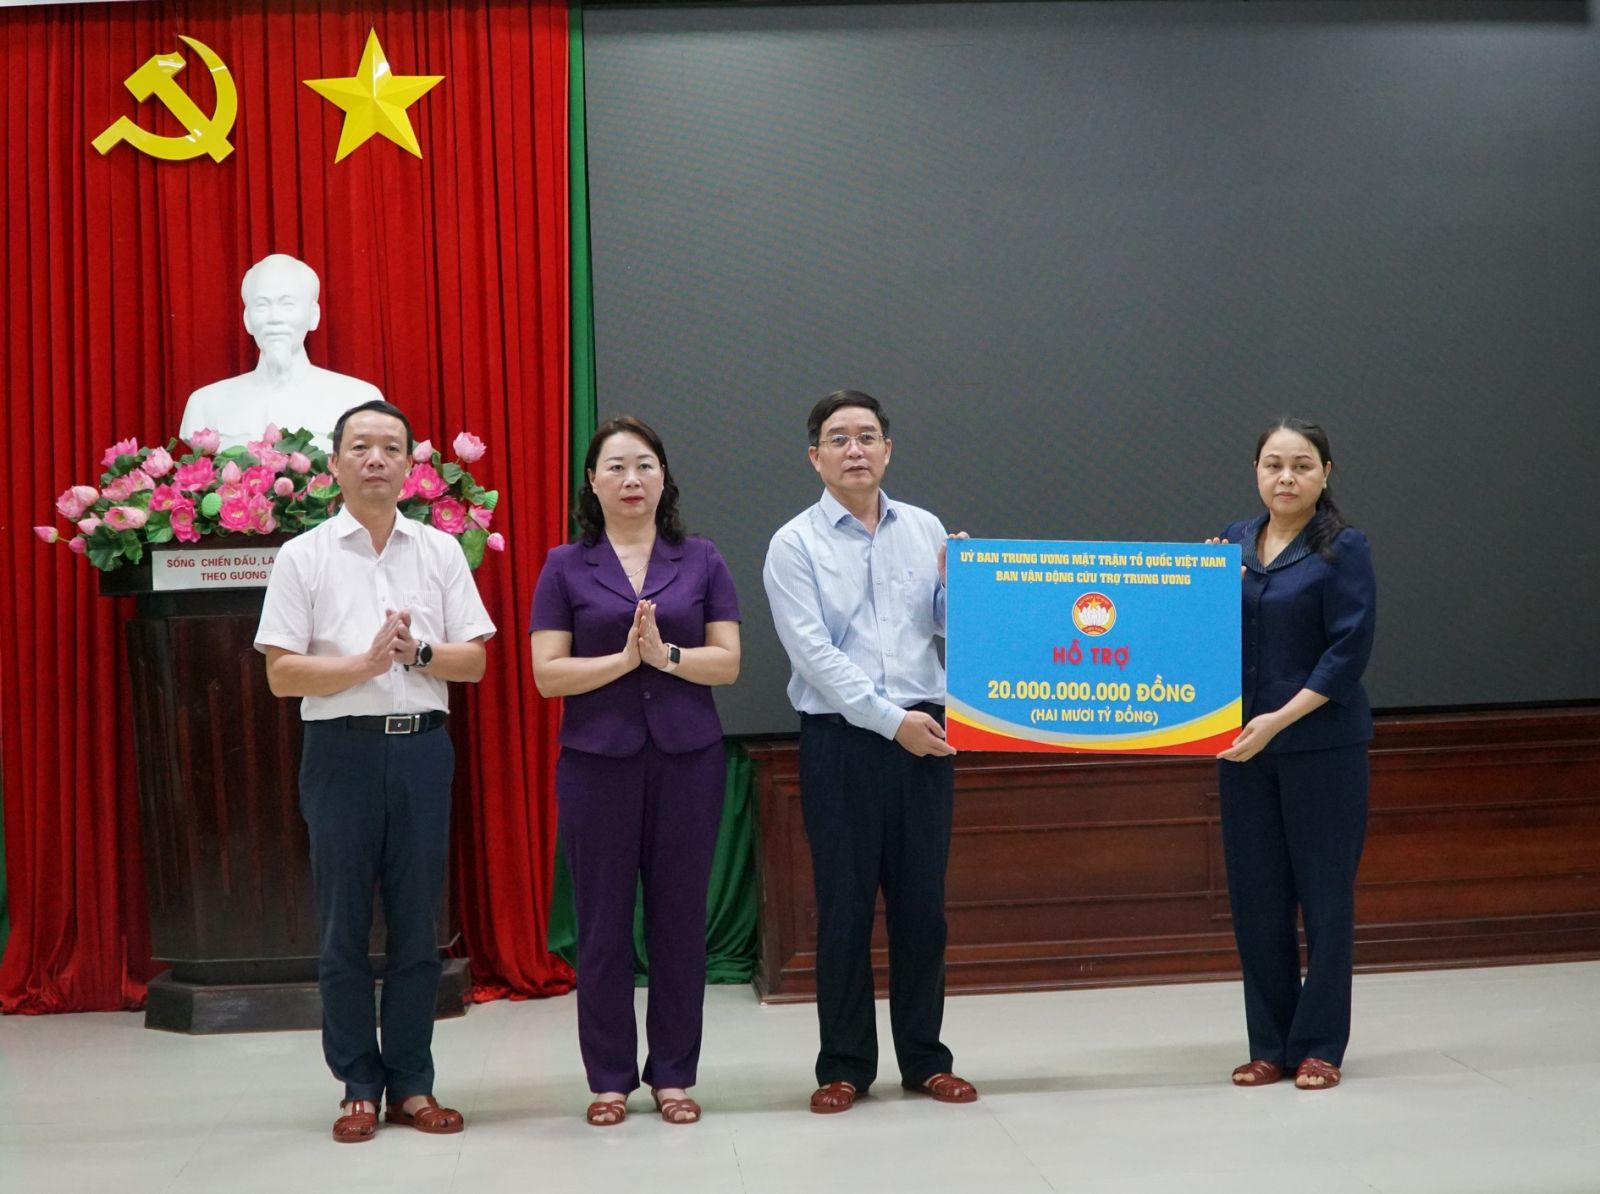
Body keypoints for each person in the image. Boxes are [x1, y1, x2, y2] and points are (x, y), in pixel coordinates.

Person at [255, 399, 495, 1142]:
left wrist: (416, 654)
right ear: (334, 464)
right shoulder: (303, 556)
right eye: (360, 446)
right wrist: (363, 664)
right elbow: (282, 675)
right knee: (344, 926)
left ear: (410, 465)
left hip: (421, 748)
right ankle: (359, 1083)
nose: (376, 460)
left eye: (391, 447)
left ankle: (413, 1084)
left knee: (419, 926)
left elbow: (474, 661)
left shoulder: (439, 551)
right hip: (342, 753)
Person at [762, 390, 976, 1115]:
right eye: (838, 438)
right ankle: (845, 1066)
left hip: (927, 735)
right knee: (845, 908)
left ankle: (926, 1060)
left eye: (867, 436)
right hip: (842, 740)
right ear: (814, 456)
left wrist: (965, 586)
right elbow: (814, 655)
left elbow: (944, 628)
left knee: (923, 910)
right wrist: (890, 722)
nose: (855, 449)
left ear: (888, 449)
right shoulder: (793, 544)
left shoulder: (926, 528)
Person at [529, 416, 741, 1127]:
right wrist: (623, 661)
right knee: (602, 925)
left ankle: (674, 1075)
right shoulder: (565, 565)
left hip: (688, 762)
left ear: (663, 478)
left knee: (680, 922)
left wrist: (666, 657)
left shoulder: (701, 558)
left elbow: (728, 662)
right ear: (591, 481)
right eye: (615, 467)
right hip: (597, 765)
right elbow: (547, 675)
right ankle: (610, 1079)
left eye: (644, 465)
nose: (631, 479)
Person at [1210, 417, 1376, 1092]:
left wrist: (1278, 720)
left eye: (1302, 465)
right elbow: (1198, 636)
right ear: (1256, 470)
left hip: (1321, 747)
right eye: (1273, 464)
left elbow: (1347, 653)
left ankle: (1319, 1046)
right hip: (1243, 752)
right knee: (1257, 901)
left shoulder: (1344, 547)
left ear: (1325, 473)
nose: (1286, 477)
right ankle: (1269, 1046)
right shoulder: (1230, 542)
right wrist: (1193, 588)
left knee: (1325, 900)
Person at [180, 253, 382, 450]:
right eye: (262, 306)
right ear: (247, 319)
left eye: (288, 305)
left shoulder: (359, 399)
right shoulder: (205, 405)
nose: (275, 318)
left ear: (313, 315)